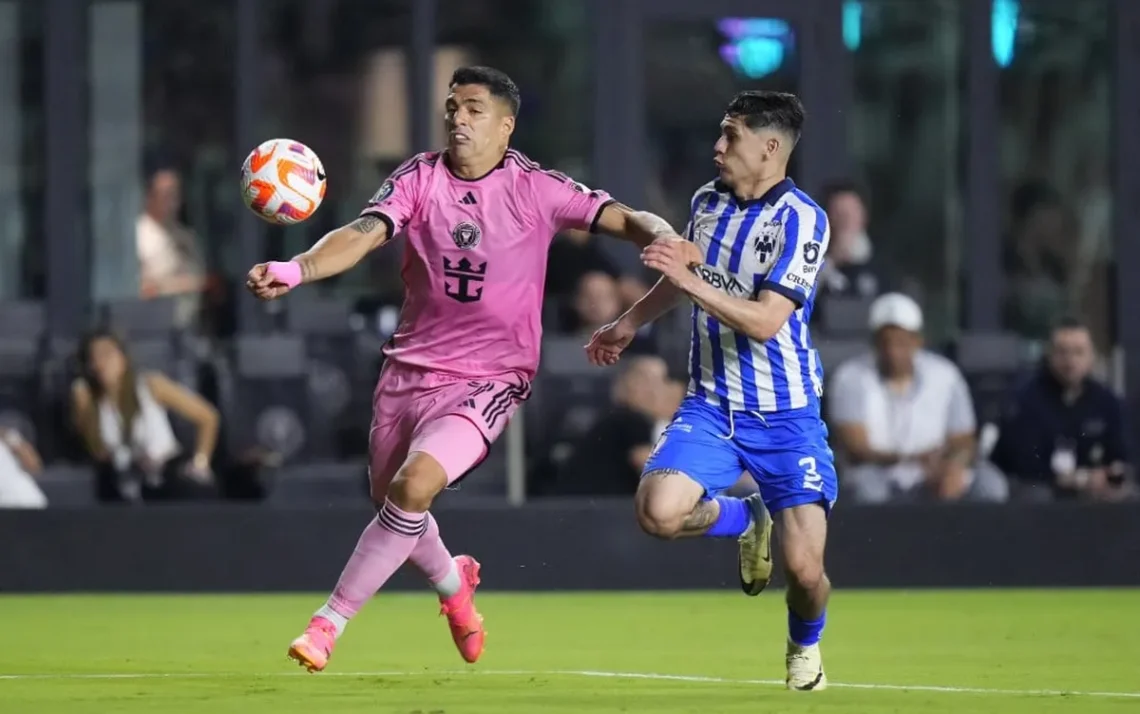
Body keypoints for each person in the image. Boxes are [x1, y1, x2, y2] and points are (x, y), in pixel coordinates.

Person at [246, 66, 676, 672]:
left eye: (474, 109)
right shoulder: (418, 178)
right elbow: (363, 233)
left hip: (490, 378)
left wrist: (662, 234)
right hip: (409, 370)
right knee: (394, 502)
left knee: (414, 487)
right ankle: (454, 584)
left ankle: (327, 625)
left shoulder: (537, 189)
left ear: (506, 125)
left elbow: (627, 218)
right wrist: (297, 269)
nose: (458, 119)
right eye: (452, 107)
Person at [587, 90, 837, 691]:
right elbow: (682, 284)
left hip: (787, 416)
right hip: (712, 405)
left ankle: (804, 647)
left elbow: (764, 321)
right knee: (657, 512)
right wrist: (629, 322)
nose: (717, 147)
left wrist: (685, 278)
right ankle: (747, 520)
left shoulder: (803, 220)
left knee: (805, 572)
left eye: (732, 136)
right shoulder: (707, 201)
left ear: (770, 147)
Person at [827, 293, 1008, 503]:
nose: (893, 352)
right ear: (874, 343)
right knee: (868, 489)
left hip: (935, 471)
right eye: (886, 343)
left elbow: (964, 439)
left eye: (901, 343)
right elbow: (856, 448)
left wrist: (952, 466)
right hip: (879, 472)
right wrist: (910, 459)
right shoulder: (850, 377)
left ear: (917, 341)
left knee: (990, 484)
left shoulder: (946, 375)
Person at [990, 317, 1135, 501]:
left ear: (1092, 357)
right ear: (1049, 355)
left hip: (1092, 489)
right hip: (1035, 486)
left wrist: (1114, 475)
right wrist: (1080, 479)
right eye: (1063, 352)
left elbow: (1122, 453)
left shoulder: (1107, 400)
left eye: (1078, 352)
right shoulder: (1025, 398)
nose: (1070, 361)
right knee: (1038, 495)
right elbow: (1024, 464)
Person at [70, 330, 219, 502]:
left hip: (168, 473)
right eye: (94, 357)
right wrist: (83, 408)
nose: (101, 362)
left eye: (107, 353)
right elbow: (98, 452)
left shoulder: (150, 385)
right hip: (126, 481)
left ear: (123, 357)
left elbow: (208, 417)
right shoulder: (92, 402)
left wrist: (200, 463)